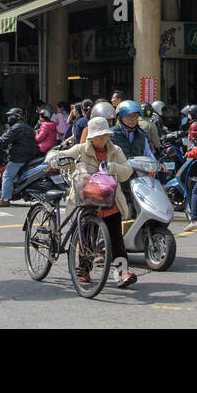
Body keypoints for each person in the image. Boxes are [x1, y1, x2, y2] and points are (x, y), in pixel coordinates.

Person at [55, 116, 136, 288]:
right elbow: (59, 157)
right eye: (99, 136)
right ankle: (84, 271)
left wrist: (112, 167)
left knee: (116, 239)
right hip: (87, 201)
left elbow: (127, 170)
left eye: (105, 135)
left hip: (109, 200)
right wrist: (55, 160)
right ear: (91, 136)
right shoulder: (81, 150)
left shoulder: (115, 151)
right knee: (86, 236)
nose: (102, 139)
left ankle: (122, 273)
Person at [0, 107, 38, 207]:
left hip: (19, 157)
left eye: (11, 116)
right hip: (30, 156)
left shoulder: (17, 128)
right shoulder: (28, 127)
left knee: (7, 175)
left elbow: (5, 139)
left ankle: (5, 199)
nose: (9, 118)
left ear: (18, 117)